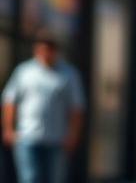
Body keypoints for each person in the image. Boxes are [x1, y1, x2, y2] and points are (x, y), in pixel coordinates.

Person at [1, 28, 85, 183]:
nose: (46, 51)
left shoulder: (68, 74)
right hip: (27, 136)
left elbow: (76, 107)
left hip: (56, 139)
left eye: (50, 47)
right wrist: (8, 128)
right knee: (29, 178)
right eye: (42, 46)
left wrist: (73, 135)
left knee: (54, 179)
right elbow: (9, 100)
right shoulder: (24, 71)